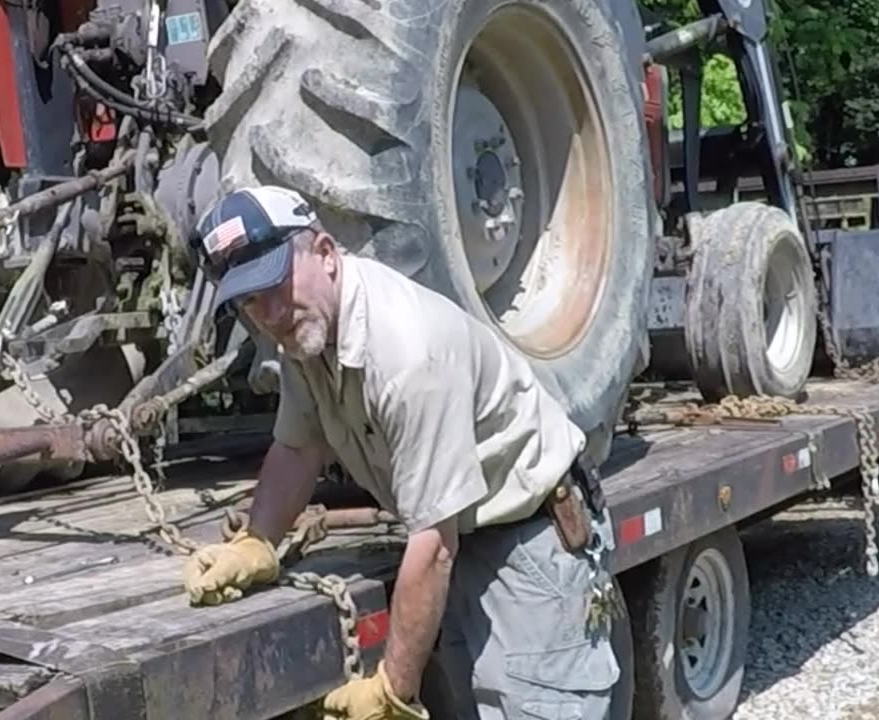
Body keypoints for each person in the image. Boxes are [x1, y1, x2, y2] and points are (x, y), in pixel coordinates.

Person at [180, 185, 621, 720]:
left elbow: (433, 547)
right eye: (250, 300)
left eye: (276, 281)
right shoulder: (304, 334)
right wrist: (256, 542)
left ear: (324, 254)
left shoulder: (409, 352)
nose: (269, 311)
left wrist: (393, 689)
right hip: (466, 533)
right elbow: (298, 446)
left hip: (529, 537)